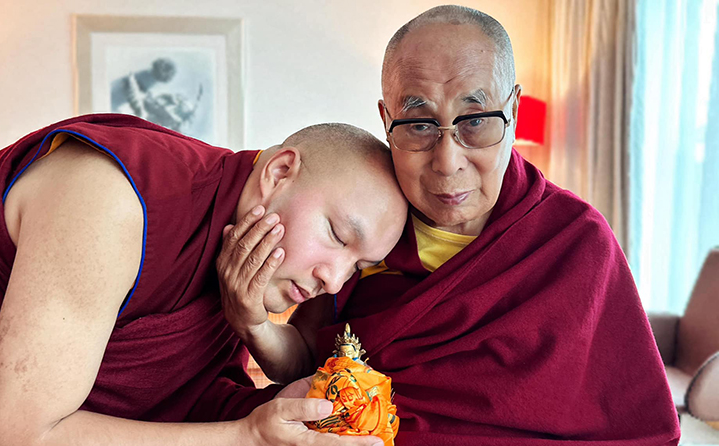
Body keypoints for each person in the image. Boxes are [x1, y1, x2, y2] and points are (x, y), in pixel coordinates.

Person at [219, 5, 681, 445]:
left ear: (513, 111)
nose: (447, 161)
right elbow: (304, 361)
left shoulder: (574, 240)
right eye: (419, 124)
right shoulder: (370, 228)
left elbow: (633, 423)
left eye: (476, 121)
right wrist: (253, 322)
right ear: (386, 120)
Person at [0, 113, 406, 446]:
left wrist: (256, 332)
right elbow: (15, 438)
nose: (335, 280)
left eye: (359, 268)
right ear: (279, 172)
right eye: (338, 236)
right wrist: (245, 436)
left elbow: (263, 373)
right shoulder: (111, 198)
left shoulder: (240, 263)